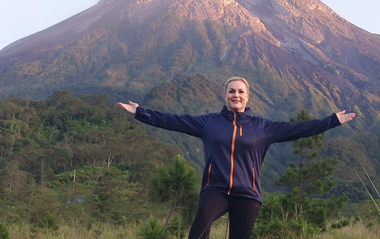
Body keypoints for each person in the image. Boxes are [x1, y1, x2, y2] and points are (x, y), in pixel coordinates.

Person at [118, 76, 355, 239]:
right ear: (225, 95)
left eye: (241, 91)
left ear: (247, 96)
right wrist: (140, 112)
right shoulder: (209, 122)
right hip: (216, 189)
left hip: (248, 194)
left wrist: (332, 120)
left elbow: (299, 129)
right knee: (200, 226)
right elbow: (174, 121)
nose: (236, 95)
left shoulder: (263, 127)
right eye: (231, 91)